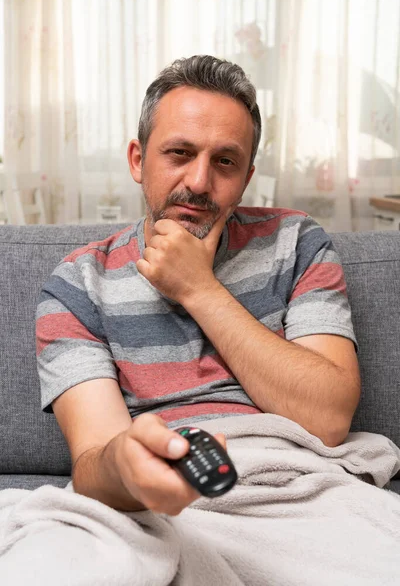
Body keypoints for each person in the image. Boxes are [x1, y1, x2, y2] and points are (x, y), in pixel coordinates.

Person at [36, 54, 361, 519]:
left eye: (225, 161)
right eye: (179, 153)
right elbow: (93, 460)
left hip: (297, 487)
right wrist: (126, 470)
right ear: (138, 159)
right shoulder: (77, 283)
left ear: (246, 179)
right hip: (158, 504)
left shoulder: (297, 243)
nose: (199, 181)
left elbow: (327, 419)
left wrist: (199, 289)